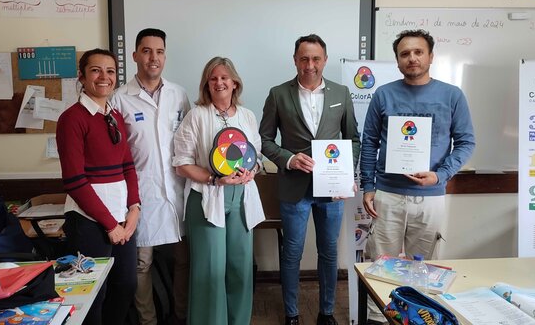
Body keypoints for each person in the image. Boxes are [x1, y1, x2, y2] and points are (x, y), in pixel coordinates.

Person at [360, 29, 475, 324]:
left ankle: (422, 317)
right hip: (387, 195)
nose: (412, 58)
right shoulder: (383, 94)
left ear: (430, 57)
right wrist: (368, 186)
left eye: (418, 52)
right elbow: (369, 142)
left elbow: (466, 142)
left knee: (424, 271)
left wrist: (440, 175)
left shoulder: (452, 95)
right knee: (380, 266)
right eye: (405, 54)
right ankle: (378, 319)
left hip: (430, 198)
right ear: (398, 61)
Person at [259, 34, 361, 325]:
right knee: (292, 252)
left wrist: (346, 173)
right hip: (294, 186)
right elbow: (264, 140)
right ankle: (291, 314)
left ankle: (326, 313)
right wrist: (289, 159)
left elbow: (353, 139)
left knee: (328, 252)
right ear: (295, 60)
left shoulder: (341, 93)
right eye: (304, 58)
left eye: (316, 58)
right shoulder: (278, 94)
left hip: (332, 189)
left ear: (325, 60)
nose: (310, 65)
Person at [173, 57, 265, 325]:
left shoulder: (247, 116)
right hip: (207, 198)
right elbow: (182, 164)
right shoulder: (197, 116)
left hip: (242, 198)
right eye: (213, 78)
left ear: (235, 82)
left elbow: (256, 156)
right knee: (210, 270)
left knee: (240, 268)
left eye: (224, 77)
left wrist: (252, 170)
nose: (219, 82)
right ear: (206, 84)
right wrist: (214, 179)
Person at [111, 28, 190, 325]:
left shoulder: (179, 95)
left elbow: (190, 141)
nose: (153, 58)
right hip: (140, 194)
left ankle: (181, 316)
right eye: (146, 51)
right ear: (135, 56)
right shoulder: (119, 99)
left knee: (183, 260)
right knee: (141, 263)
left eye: (159, 52)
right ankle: (148, 321)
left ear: (165, 57)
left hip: (178, 190)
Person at [56, 48, 141, 325]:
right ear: (82, 76)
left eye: (110, 71)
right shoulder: (72, 118)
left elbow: (128, 166)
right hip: (89, 220)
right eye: (96, 70)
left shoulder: (114, 116)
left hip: (121, 217)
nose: (104, 76)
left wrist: (134, 208)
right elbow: (74, 180)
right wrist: (110, 225)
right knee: (93, 293)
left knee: (125, 285)